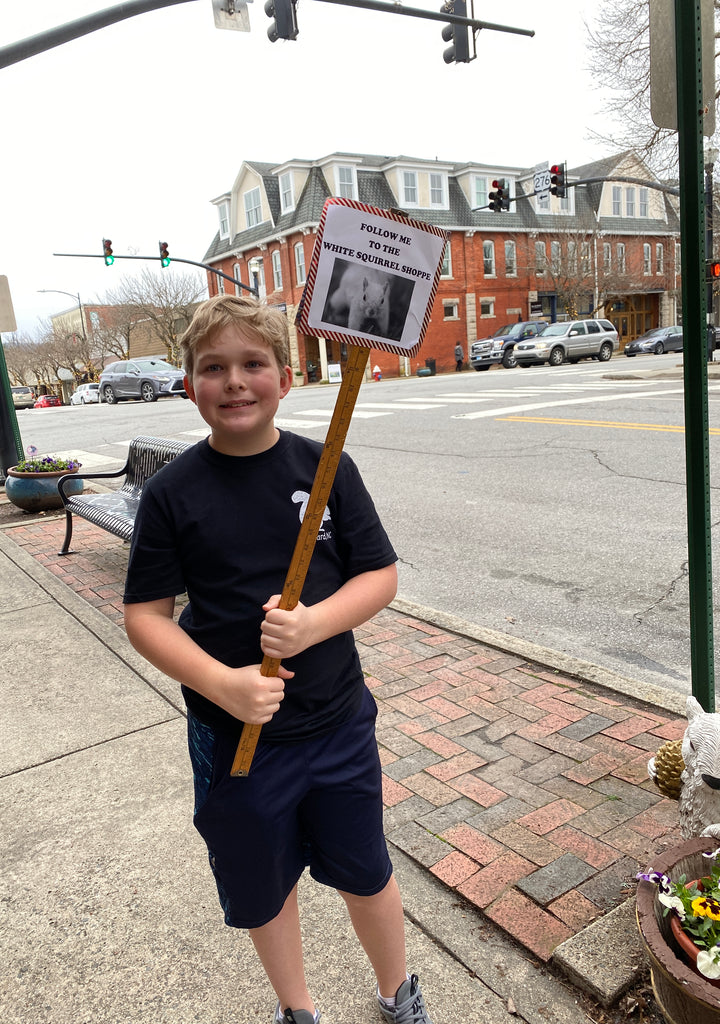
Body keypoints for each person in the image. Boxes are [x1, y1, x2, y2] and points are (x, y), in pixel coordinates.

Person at [123, 294, 435, 1024]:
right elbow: (145, 617)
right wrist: (221, 684)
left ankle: (398, 991)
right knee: (264, 885)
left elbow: (380, 575)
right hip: (237, 741)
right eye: (213, 368)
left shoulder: (325, 468)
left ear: (286, 378)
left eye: (252, 364)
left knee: (367, 872)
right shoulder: (173, 495)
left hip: (336, 725)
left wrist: (315, 624)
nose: (234, 381)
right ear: (189, 383)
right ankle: (297, 1009)